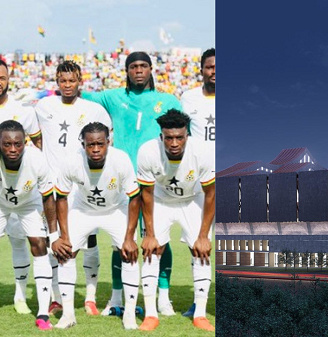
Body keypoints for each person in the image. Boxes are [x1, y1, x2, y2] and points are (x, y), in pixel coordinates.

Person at [82, 51, 181, 316]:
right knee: (120, 239)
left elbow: (182, 137)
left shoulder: (168, 100)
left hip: (155, 182)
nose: (138, 70)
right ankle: (116, 298)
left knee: (158, 238)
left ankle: (163, 297)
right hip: (121, 183)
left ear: (151, 69)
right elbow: (80, 95)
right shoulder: (113, 97)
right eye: (133, 66)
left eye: (143, 66)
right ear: (126, 71)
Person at [35, 60, 112, 316]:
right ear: (57, 81)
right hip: (49, 188)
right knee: (53, 241)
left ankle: (89, 296)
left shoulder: (94, 109)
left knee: (89, 240)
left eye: (72, 80)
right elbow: (36, 138)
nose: (67, 85)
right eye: (63, 81)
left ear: (80, 81)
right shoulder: (43, 106)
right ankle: (56, 296)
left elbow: (106, 142)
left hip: (81, 188)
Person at [52, 122, 140, 329]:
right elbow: (61, 198)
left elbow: (135, 198)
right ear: (83, 144)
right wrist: (63, 236)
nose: (96, 149)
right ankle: (68, 314)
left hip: (116, 210)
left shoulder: (121, 160)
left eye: (100, 144)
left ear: (108, 142)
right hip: (83, 209)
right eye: (90, 144)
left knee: (129, 253)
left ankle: (129, 314)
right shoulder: (71, 162)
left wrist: (129, 238)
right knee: (65, 252)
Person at [136, 109, 215, 331]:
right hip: (160, 201)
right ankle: (151, 314)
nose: (174, 143)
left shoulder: (203, 151)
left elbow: (211, 194)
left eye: (179, 137)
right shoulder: (148, 151)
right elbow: (146, 194)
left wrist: (203, 236)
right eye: (168, 137)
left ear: (187, 135)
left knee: (200, 250)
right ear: (161, 136)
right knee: (152, 250)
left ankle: (200, 314)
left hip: (193, 199)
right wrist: (149, 234)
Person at [0, 120, 56, 330]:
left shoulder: (37, 159)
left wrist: (54, 233)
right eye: (7, 144)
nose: (13, 149)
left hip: (28, 203)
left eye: (18, 143)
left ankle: (43, 313)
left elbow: (48, 197)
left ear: (25, 142)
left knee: (39, 244)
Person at [0, 58, 43, 315]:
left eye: (1, 77)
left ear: (8, 79)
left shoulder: (23, 111)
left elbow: (38, 147)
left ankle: (20, 296)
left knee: (20, 241)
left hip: (21, 190)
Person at [179, 47, 215, 317]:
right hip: (200, 181)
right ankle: (199, 302)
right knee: (199, 242)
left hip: (234, 175)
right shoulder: (188, 98)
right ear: (201, 69)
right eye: (210, 67)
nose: (214, 71)